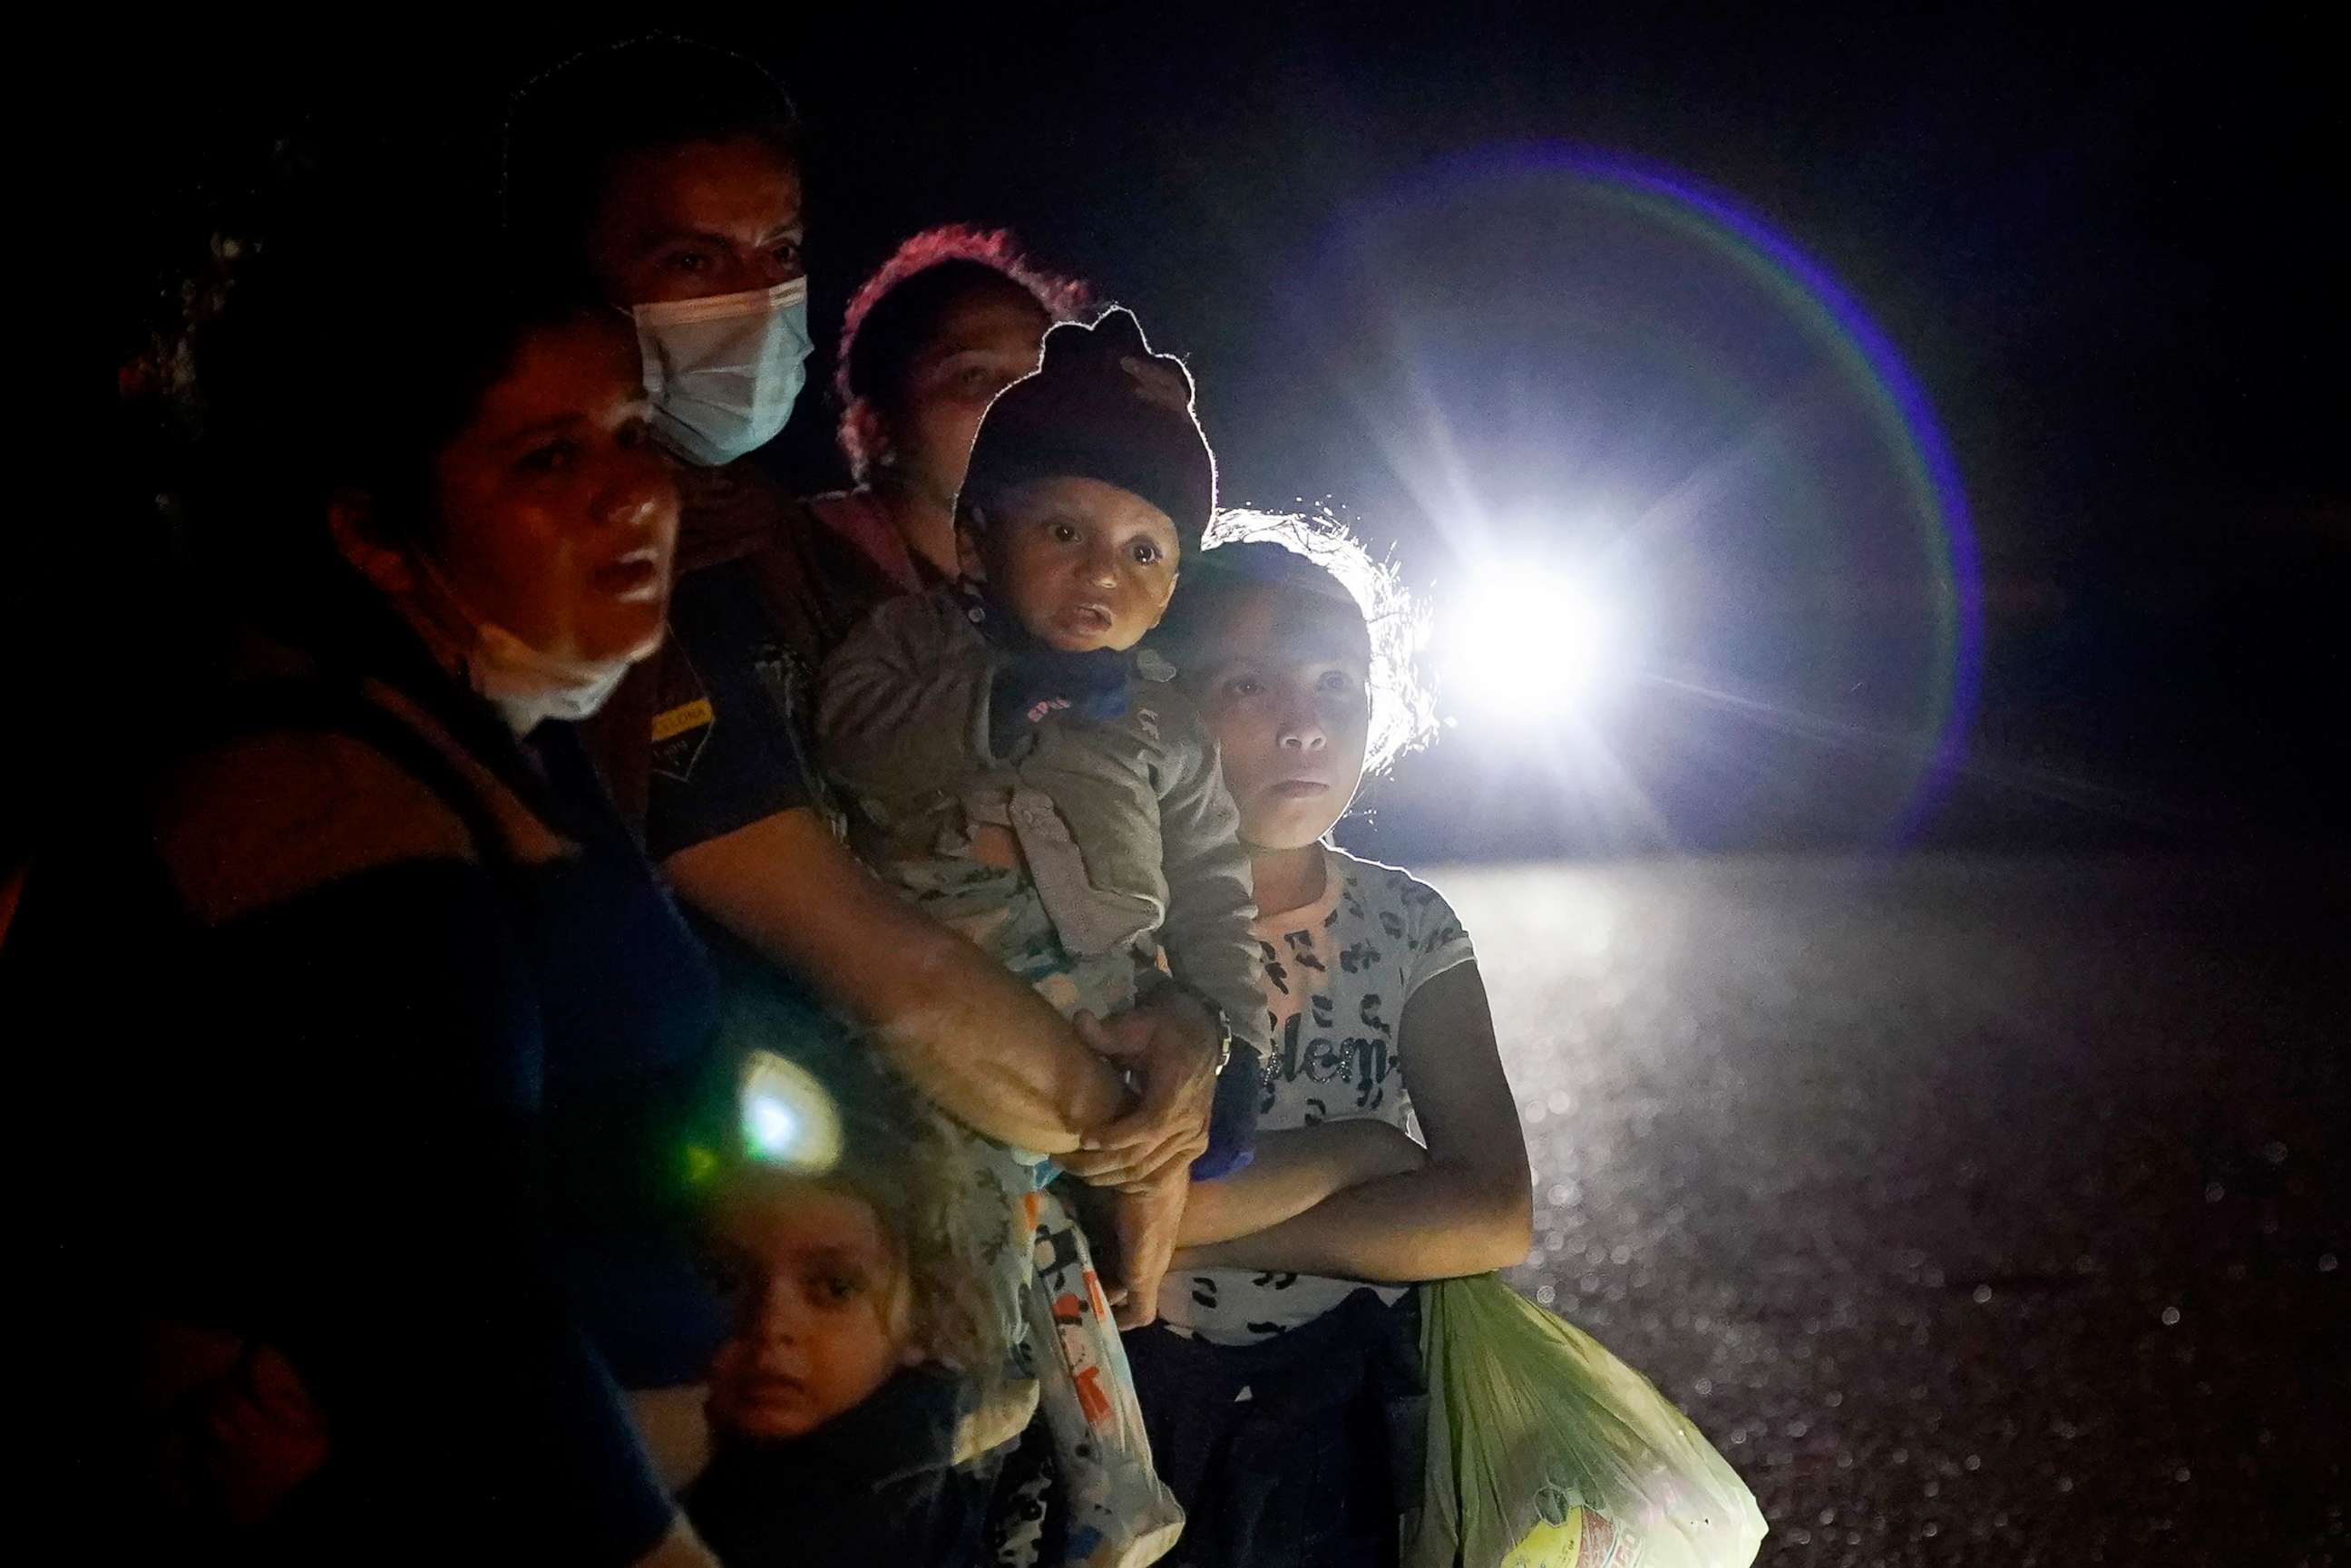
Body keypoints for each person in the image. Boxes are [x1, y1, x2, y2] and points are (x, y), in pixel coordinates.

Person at [18, 213, 734, 1563]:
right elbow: (454, 1316)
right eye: (548, 456)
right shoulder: (312, 800)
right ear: (368, 527)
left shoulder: (498, 720)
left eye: (635, 429)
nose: (635, 490)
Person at [504, 37, 1224, 1310]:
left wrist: (1193, 1026)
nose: (746, 298)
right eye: (689, 260)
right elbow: (885, 966)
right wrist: (1131, 1128)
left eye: (777, 254)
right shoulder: (622, 578)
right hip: (701, 1241)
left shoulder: (780, 561)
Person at [1126, 512, 1536, 1568]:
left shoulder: (1410, 927)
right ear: (1163, 702)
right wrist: (1358, 1155)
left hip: (1344, 1415)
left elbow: (1491, 1211)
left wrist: (1201, 1233)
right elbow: (1120, 1201)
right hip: (1134, 1407)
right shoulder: (1112, 919)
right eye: (1252, 686)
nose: (1305, 726)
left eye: (1338, 684)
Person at [682, 1035, 1016, 1566]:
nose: (771, 1324)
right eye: (725, 1280)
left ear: (924, 1316)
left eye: (834, 1288)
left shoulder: (868, 1527)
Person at [815, 225, 1093, 596]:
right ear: (875, 429)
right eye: (974, 376)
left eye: (1043, 375)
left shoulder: (1071, 596)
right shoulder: (790, 573)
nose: (1026, 400)